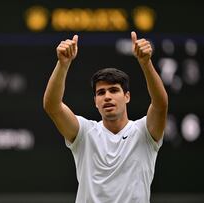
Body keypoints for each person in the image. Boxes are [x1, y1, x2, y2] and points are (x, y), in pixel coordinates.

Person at [43, 31, 168, 203]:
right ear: (95, 101)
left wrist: (146, 63)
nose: (107, 96)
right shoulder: (85, 133)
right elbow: (52, 106)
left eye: (114, 90)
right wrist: (63, 64)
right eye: (101, 92)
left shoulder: (144, 132)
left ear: (127, 96)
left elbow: (160, 105)